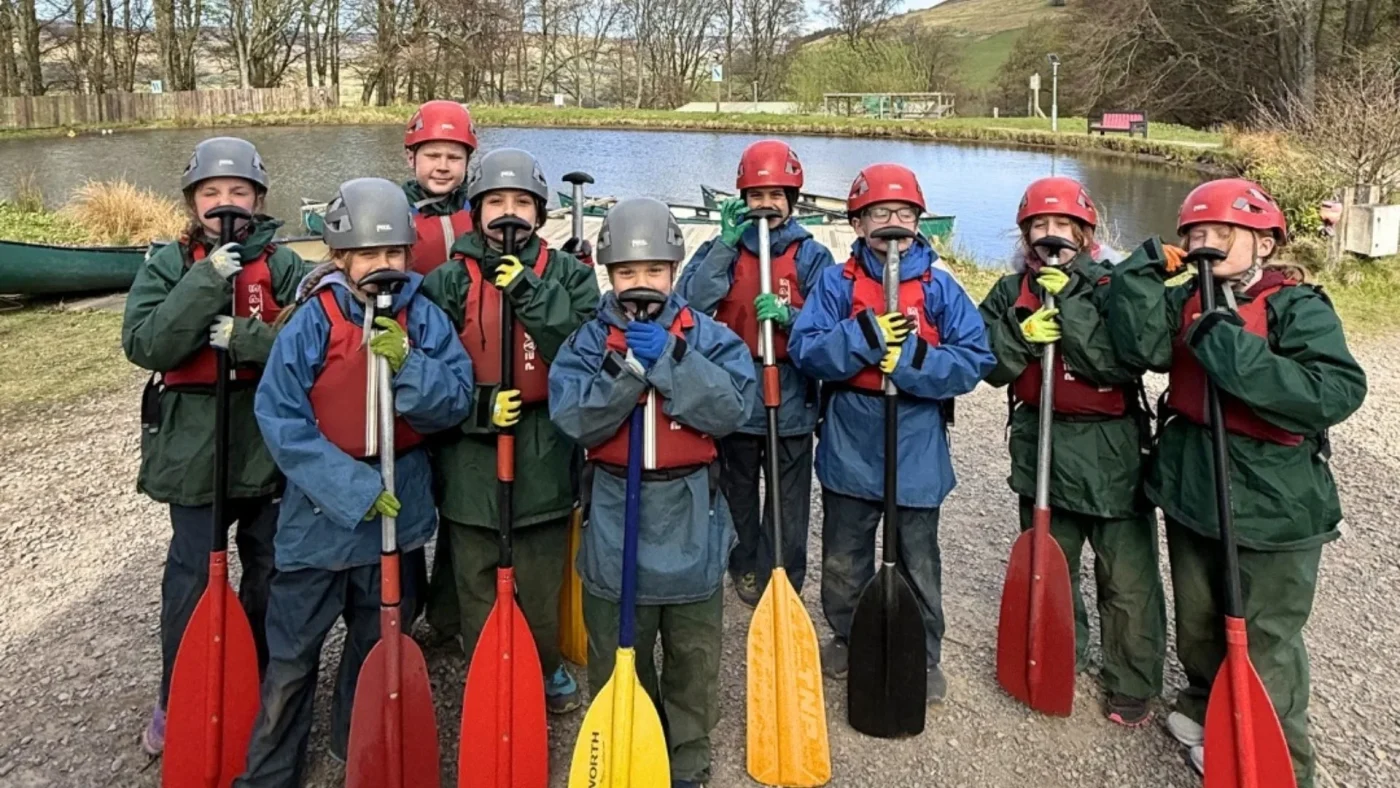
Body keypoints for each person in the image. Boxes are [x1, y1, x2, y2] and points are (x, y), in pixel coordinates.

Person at [1105, 178, 1366, 785]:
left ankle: (1279, 759)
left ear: (1266, 243)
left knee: (1265, 638)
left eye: (1224, 234)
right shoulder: (1189, 299)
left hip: (1273, 501)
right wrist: (1141, 271)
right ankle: (1205, 706)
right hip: (1194, 486)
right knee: (1199, 621)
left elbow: (1335, 390)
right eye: (1195, 233)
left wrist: (1230, 349)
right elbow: (1140, 344)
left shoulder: (1295, 306)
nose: (1207, 244)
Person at [236, 178, 474, 786]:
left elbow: (455, 399)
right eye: (369, 255)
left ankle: (357, 747)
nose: (384, 266)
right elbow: (281, 418)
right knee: (292, 657)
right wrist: (352, 488)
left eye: (394, 253)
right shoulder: (313, 320)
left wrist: (410, 364)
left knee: (377, 645)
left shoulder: (422, 316)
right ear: (342, 258)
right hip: (321, 517)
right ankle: (269, 773)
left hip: (399, 510)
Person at [549, 197, 756, 788]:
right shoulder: (590, 342)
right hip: (616, 512)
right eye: (627, 273)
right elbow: (575, 419)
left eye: (655, 271)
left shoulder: (709, 337)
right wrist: (625, 373)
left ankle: (687, 749)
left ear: (674, 270)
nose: (642, 284)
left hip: (690, 509)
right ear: (609, 276)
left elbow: (732, 407)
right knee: (622, 644)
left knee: (693, 651)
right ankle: (625, 732)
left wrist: (668, 359)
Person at [121, 136, 310, 756]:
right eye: (211, 193)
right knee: (191, 576)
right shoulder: (168, 263)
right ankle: (178, 693)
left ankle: (252, 678)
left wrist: (249, 337)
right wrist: (207, 279)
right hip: (193, 444)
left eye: (238, 193)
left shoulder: (283, 265)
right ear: (193, 200)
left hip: (264, 436)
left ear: (258, 199)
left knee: (269, 568)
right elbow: (147, 344)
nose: (225, 203)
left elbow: (312, 340)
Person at [787, 163, 994, 702]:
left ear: (919, 222)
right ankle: (846, 631)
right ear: (858, 223)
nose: (893, 223)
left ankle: (922, 651)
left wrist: (915, 358)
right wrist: (864, 334)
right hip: (852, 433)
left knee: (918, 556)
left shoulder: (940, 289)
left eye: (904, 213)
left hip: (916, 436)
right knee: (845, 550)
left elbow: (975, 361)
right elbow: (806, 350)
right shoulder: (836, 284)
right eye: (880, 213)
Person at [978, 176, 1166, 726]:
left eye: (1064, 226)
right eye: (1041, 225)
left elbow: (1120, 362)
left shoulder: (1112, 286)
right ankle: (1061, 651)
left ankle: (1131, 678)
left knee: (1126, 576)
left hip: (1111, 449)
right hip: (1042, 441)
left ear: (1085, 233)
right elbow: (990, 367)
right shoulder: (1010, 292)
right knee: (1048, 562)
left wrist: (1072, 303)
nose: (1051, 235)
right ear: (1025, 234)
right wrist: (1023, 332)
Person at [420, 147, 600, 713]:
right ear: (475, 210)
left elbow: (581, 351)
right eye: (495, 201)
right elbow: (428, 372)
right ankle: (486, 667)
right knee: (476, 578)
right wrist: (478, 408)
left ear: (540, 213)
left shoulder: (569, 275)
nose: (508, 213)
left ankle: (543, 668)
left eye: (522, 202)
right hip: (471, 458)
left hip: (545, 456)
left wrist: (527, 288)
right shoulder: (448, 281)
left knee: (541, 582)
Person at [675, 139, 834, 607]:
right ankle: (743, 564)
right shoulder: (718, 249)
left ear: (792, 200)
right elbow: (690, 305)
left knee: (788, 499)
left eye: (776, 196)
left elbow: (831, 325)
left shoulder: (811, 257)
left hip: (790, 392)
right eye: (756, 197)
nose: (766, 206)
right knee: (737, 490)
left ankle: (782, 573)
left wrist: (791, 316)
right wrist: (726, 245)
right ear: (741, 201)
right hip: (735, 389)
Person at [402, 99, 477, 276]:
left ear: (467, 162)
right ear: (411, 157)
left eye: (454, 158)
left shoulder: (480, 208)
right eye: (433, 156)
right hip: (417, 301)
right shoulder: (393, 210)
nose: (442, 166)